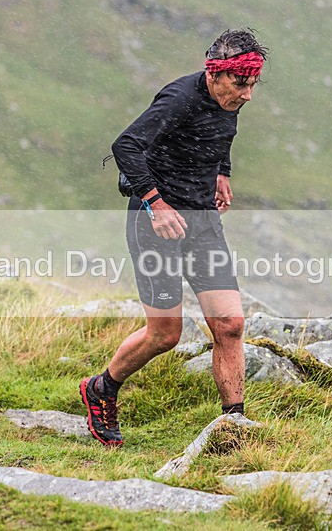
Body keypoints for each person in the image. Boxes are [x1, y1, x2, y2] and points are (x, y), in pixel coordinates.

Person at [80, 29, 268, 446]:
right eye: (241, 84)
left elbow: (221, 133)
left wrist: (223, 172)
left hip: (202, 223)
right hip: (155, 224)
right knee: (165, 333)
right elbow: (126, 145)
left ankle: (233, 429)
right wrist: (156, 203)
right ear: (214, 73)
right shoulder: (180, 98)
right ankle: (101, 388)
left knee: (231, 325)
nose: (248, 96)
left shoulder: (228, 98)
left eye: (253, 85)